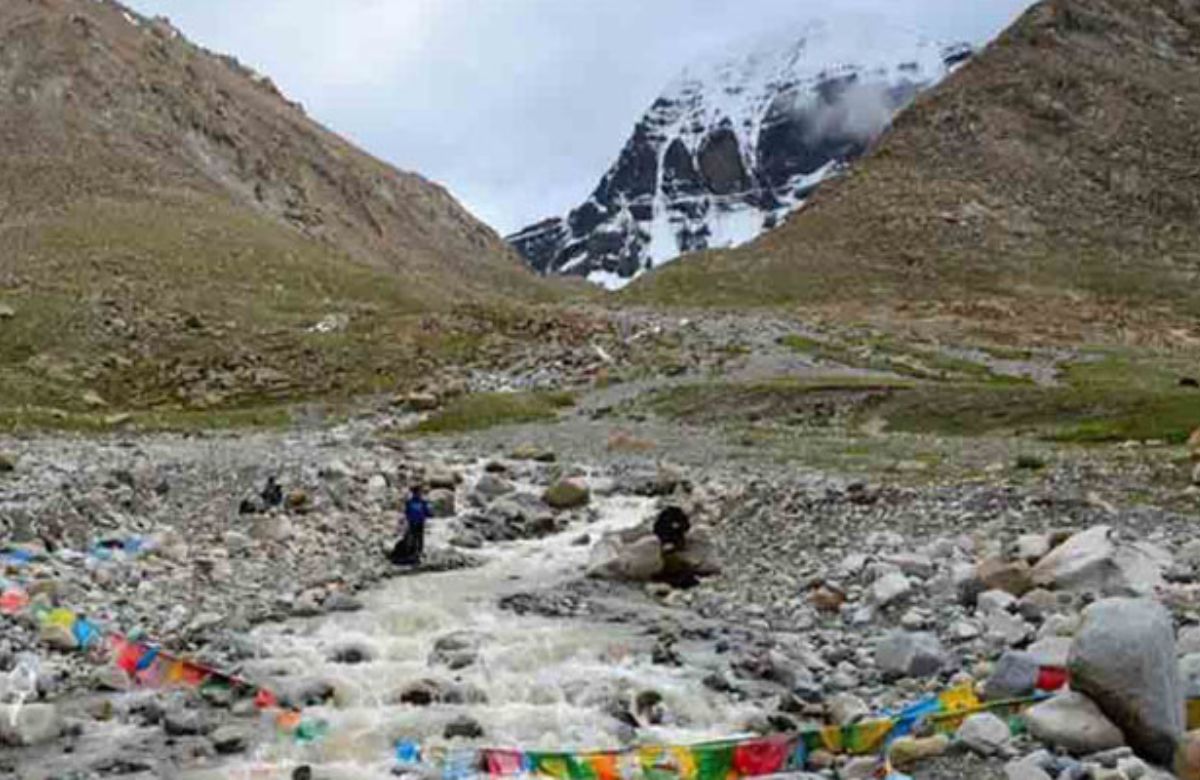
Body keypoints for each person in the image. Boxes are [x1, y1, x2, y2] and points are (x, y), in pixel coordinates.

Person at [402, 485, 433, 564]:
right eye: (419, 492)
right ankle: (416, 555)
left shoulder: (411, 502)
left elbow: (406, 512)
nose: (420, 494)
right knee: (418, 539)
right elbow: (428, 512)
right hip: (417, 523)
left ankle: (414, 555)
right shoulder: (421, 502)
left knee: (415, 539)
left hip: (414, 523)